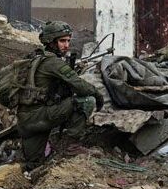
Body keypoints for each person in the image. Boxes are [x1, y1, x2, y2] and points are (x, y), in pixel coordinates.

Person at [16, 21, 104, 171]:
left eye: (68, 41)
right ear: (51, 42)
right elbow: (80, 86)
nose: (66, 45)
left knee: (33, 165)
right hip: (40, 117)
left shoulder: (35, 57)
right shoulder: (53, 62)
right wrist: (97, 94)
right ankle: (71, 147)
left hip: (26, 120)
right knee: (85, 101)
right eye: (62, 41)